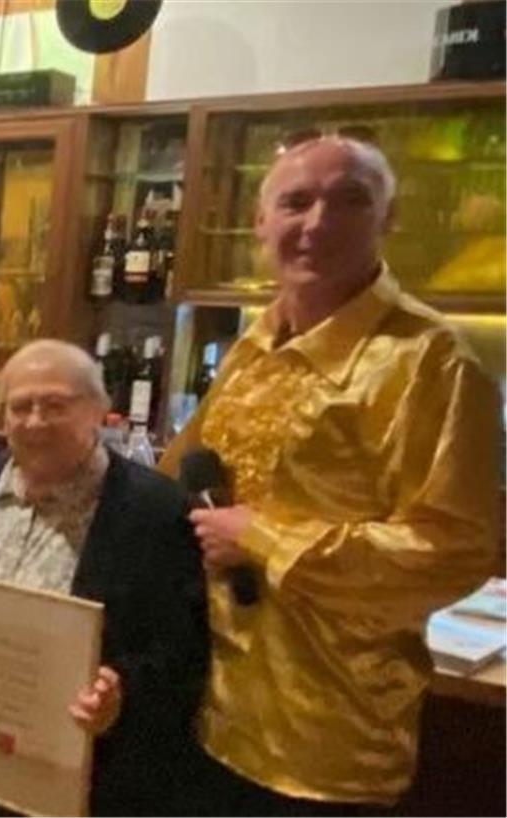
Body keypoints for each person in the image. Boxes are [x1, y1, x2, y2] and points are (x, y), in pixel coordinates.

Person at [160, 134, 502, 813]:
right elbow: (179, 472)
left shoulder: (431, 363)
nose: (317, 223)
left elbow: (452, 552)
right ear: (261, 223)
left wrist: (264, 540)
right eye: (295, 202)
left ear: (388, 219)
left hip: (328, 743)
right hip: (215, 713)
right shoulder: (255, 344)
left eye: (349, 200)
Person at [0, 340, 208, 816]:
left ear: (98, 410)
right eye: (20, 406)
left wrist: (120, 690)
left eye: (54, 405)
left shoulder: (154, 510)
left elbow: (181, 649)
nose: (34, 421)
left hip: (86, 784)